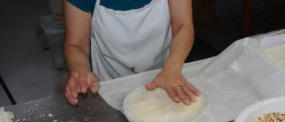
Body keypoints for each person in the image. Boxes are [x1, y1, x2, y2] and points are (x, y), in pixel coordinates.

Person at [63, 0, 200, 105]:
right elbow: (76, 44)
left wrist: (173, 67)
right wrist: (80, 70)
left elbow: (183, 26)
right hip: (112, 85)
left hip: (167, 77)